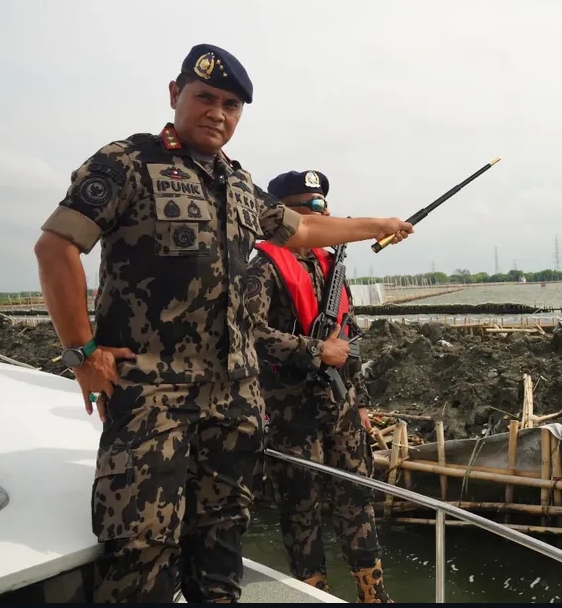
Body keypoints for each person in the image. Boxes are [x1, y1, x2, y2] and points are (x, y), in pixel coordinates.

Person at [32, 43, 413, 604]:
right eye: (205, 97)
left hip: (233, 399)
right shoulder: (126, 163)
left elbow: (302, 232)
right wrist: (82, 353)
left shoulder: (238, 183)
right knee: (142, 552)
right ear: (174, 95)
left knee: (221, 544)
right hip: (153, 396)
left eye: (231, 104)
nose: (217, 112)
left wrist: (377, 223)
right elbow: (57, 246)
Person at [245, 169, 393, 603]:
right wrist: (314, 352)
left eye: (323, 205)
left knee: (357, 503)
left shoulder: (332, 267)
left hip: (342, 411)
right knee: (301, 514)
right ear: (282, 215)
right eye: (310, 207)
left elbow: (349, 342)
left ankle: (374, 596)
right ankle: (314, 596)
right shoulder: (263, 268)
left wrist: (361, 403)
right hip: (292, 415)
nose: (322, 212)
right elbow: (244, 332)